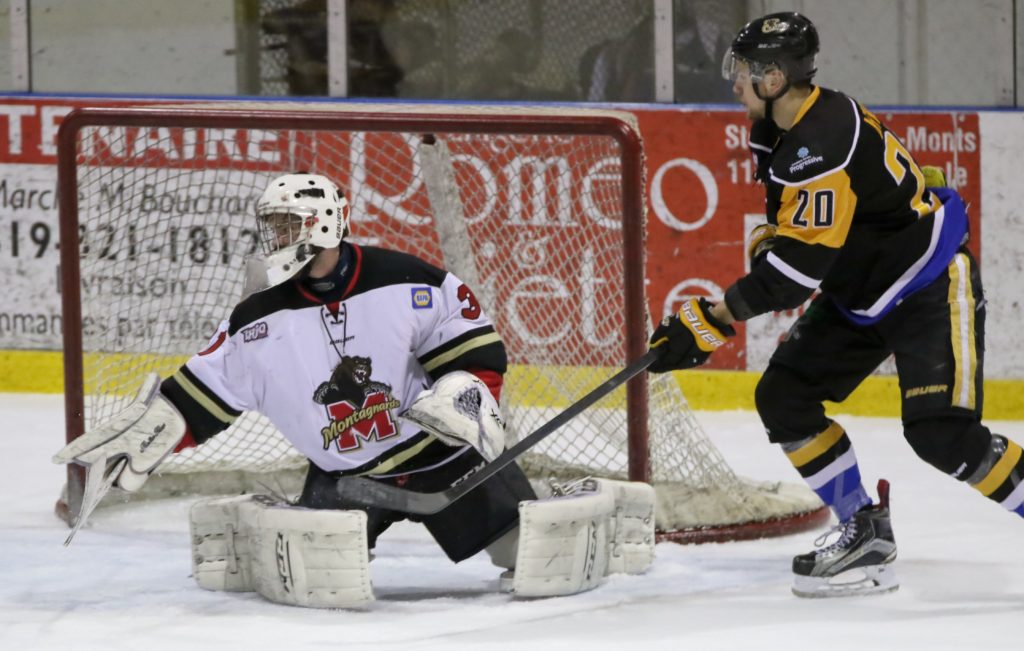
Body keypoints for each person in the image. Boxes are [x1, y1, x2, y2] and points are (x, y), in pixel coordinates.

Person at [55, 173, 655, 607]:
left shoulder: (407, 280)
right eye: (272, 226)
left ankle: (599, 516)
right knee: (320, 591)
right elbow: (201, 398)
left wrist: (465, 391)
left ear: (322, 225)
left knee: (538, 562)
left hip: (444, 459)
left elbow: (474, 350)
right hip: (346, 476)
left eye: (287, 224)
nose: (275, 237)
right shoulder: (255, 319)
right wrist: (156, 434)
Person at [648, 12, 1024, 598]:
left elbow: (795, 278)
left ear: (774, 78)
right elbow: (801, 234)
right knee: (785, 397)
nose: (733, 81)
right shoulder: (778, 128)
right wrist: (775, 241)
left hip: (926, 280)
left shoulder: (817, 143)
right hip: (865, 287)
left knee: (943, 435)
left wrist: (711, 321)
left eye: (743, 70)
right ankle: (864, 530)